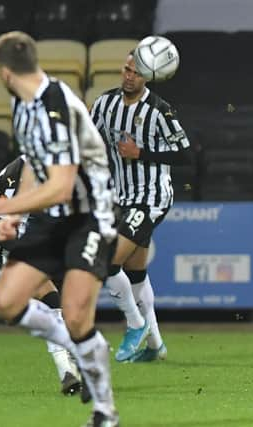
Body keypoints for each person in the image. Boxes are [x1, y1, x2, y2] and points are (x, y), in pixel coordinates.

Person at [0, 31, 120, 427]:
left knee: (77, 315)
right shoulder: (23, 104)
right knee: (6, 302)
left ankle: (105, 411)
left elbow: (62, 186)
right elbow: (33, 163)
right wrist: (14, 216)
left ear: (5, 71)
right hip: (54, 218)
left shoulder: (55, 106)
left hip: (90, 216)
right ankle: (74, 347)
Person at [90, 49, 192, 362]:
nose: (128, 75)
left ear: (148, 75)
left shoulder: (160, 111)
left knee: (107, 262)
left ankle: (136, 326)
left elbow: (184, 154)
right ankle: (155, 345)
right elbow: (91, 141)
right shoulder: (104, 104)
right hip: (121, 198)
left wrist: (141, 154)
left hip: (152, 198)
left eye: (135, 72)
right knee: (135, 273)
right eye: (125, 69)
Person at [0, 155, 81, 395]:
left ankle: (74, 361)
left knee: (65, 313)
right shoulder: (14, 173)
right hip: (16, 254)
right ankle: (67, 372)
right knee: (49, 298)